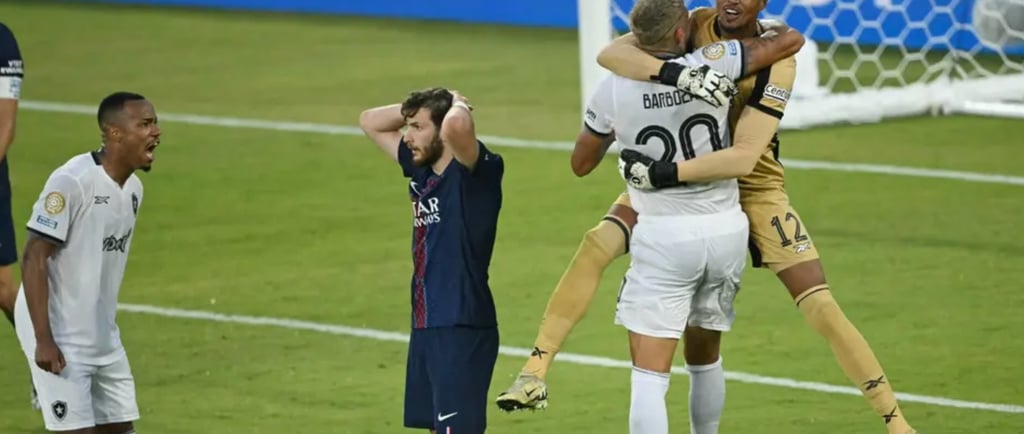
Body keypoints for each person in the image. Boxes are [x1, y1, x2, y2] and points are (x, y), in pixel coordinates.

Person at [601, 2, 919, 434]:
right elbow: (611, 54)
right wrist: (676, 74)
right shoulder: (695, 24)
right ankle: (537, 366)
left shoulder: (778, 57)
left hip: (748, 184)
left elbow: (745, 157)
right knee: (596, 245)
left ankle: (896, 422)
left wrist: (660, 173)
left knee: (821, 304)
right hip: (686, 184)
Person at [549, 1, 805, 432]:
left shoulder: (614, 88)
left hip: (664, 237)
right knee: (705, 359)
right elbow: (786, 42)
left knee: (649, 377)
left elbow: (581, 163)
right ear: (683, 33)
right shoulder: (717, 63)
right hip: (725, 230)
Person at [359, 87, 504, 434]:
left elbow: (457, 127)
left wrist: (456, 103)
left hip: (461, 324)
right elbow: (369, 122)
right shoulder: (422, 171)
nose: (408, 136)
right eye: (408, 127)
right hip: (427, 323)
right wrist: (417, 108)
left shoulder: (475, 174)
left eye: (418, 127)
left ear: (442, 132)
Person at [14, 91, 159, 433]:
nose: (156, 131)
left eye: (155, 123)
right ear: (115, 133)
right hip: (60, 333)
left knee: (121, 428)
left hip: (102, 335)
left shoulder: (134, 189)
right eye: (145, 124)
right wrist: (43, 340)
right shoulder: (72, 182)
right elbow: (34, 255)